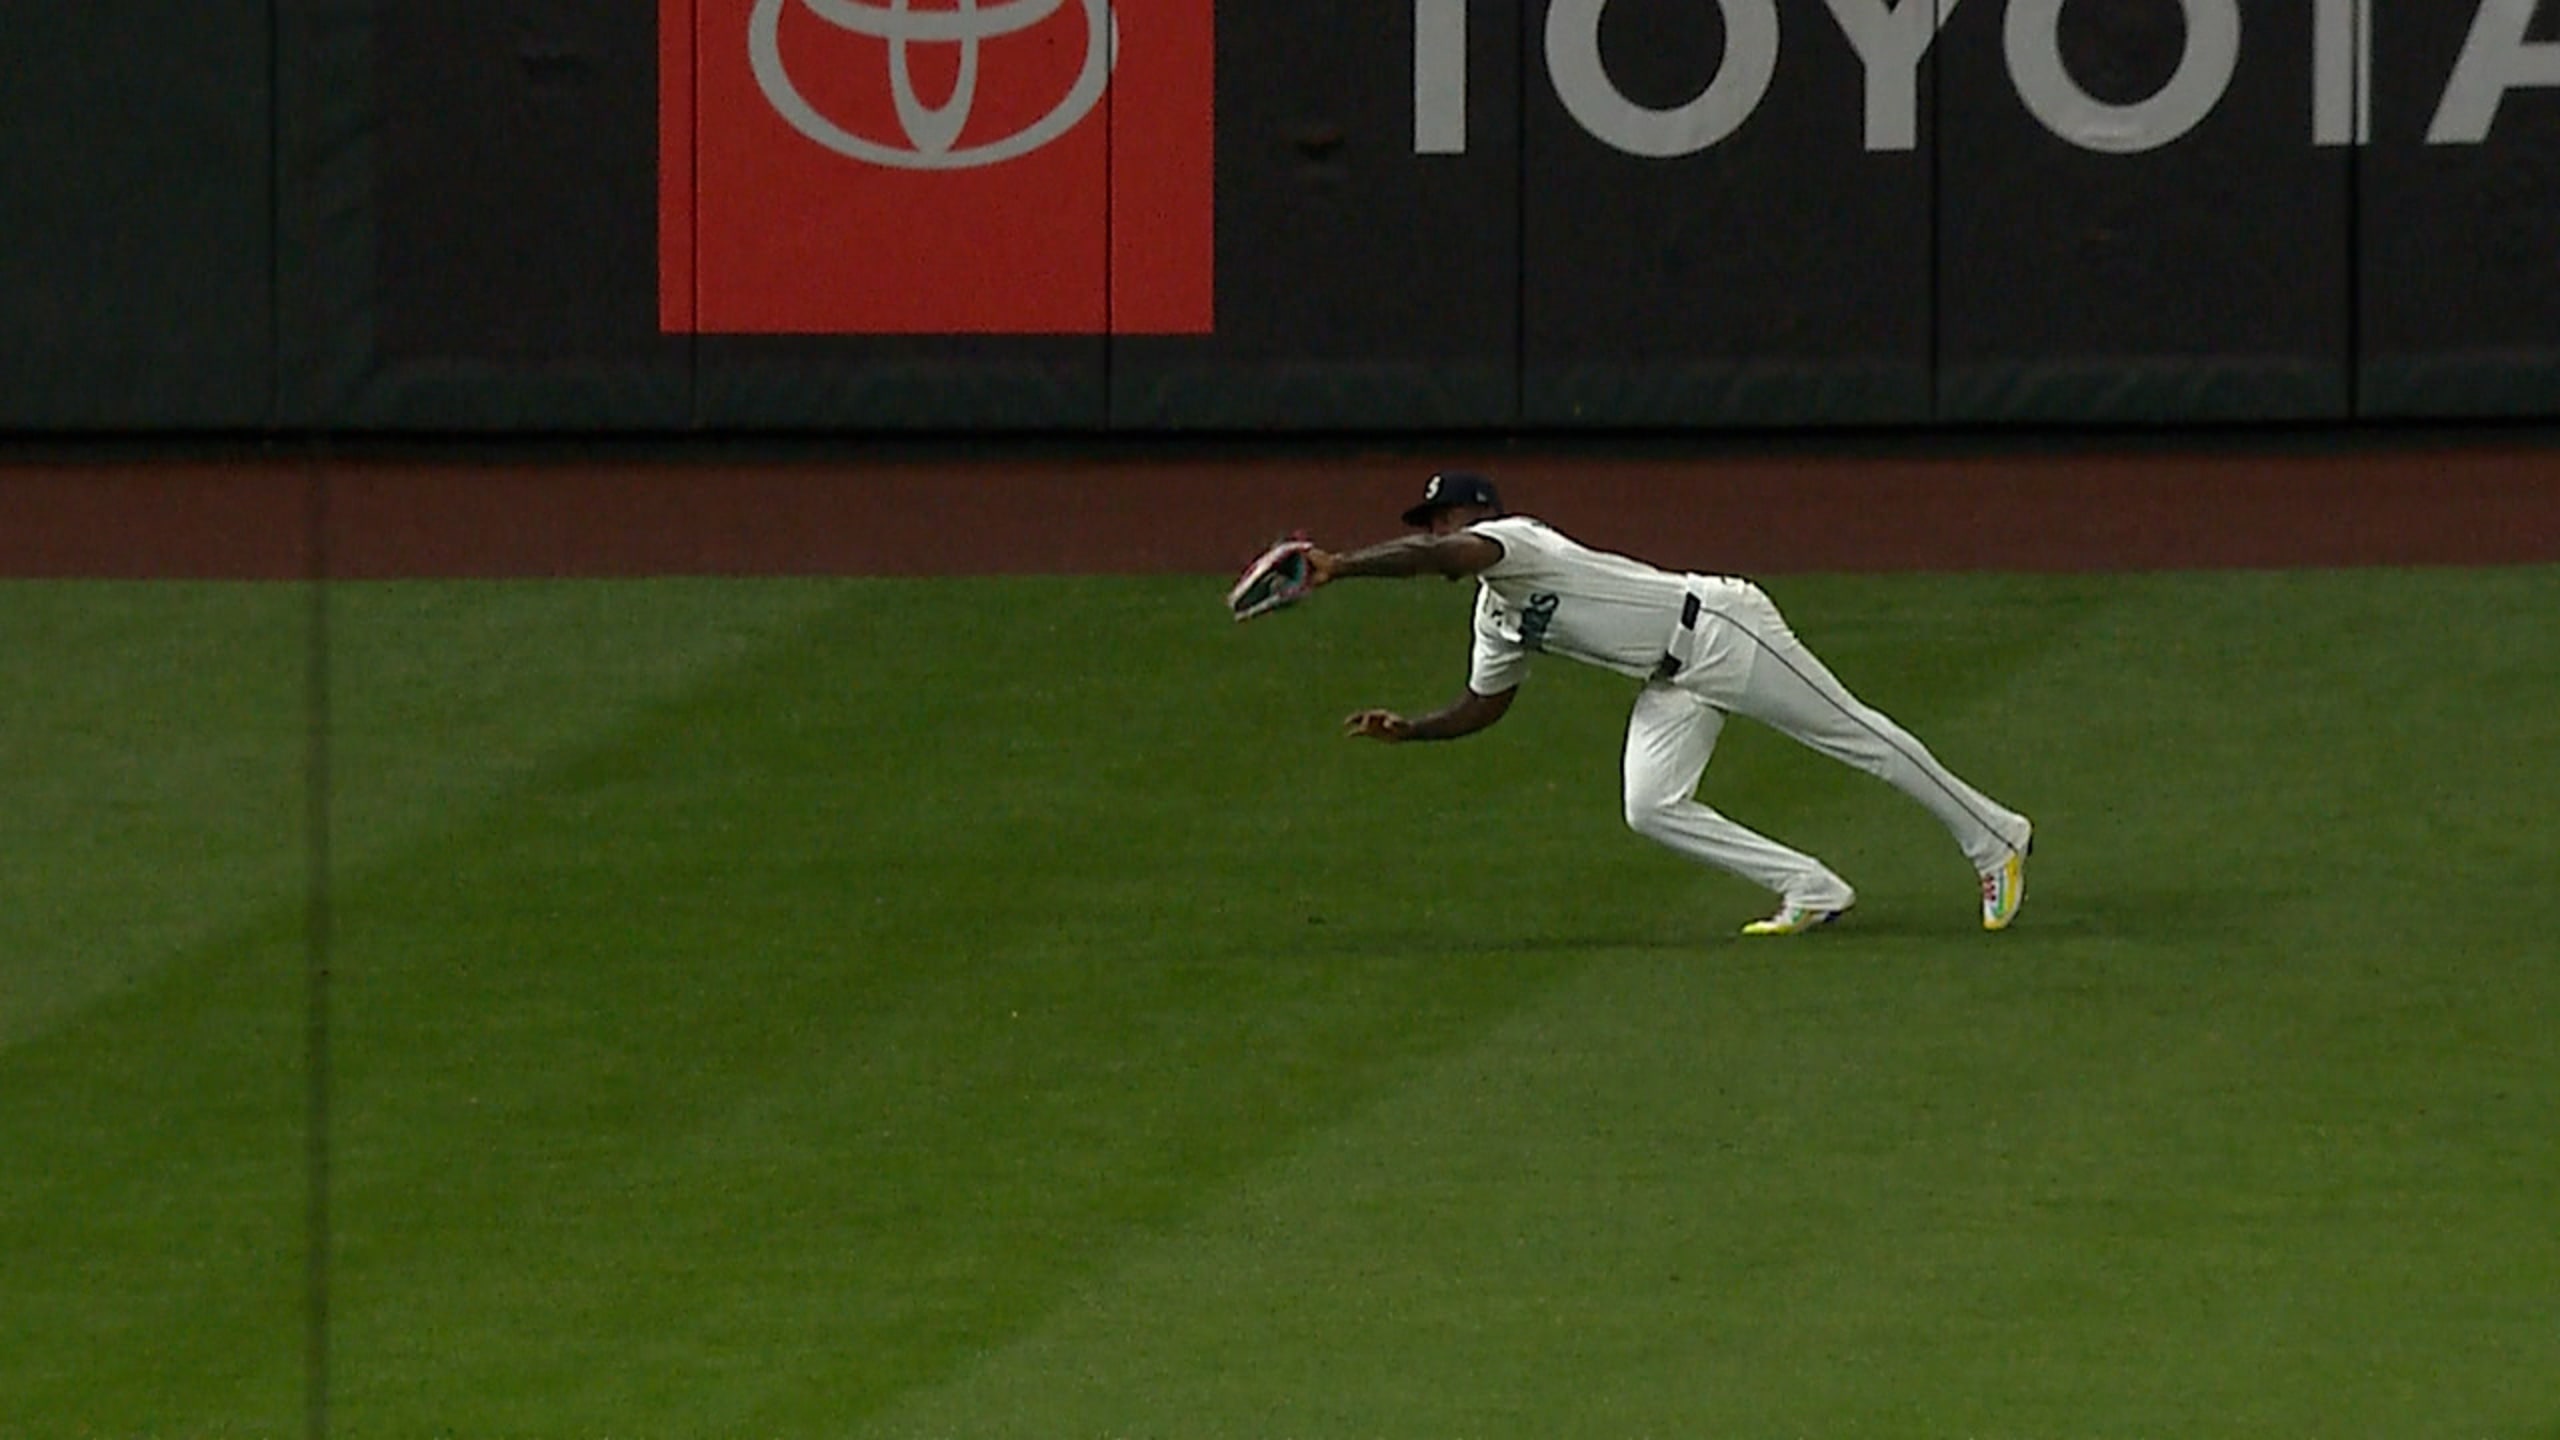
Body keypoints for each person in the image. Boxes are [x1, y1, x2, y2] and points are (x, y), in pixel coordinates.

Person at [1304, 471, 2032, 935]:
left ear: (1482, 513)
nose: (1437, 529)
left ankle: (1994, 838)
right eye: (1430, 520)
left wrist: (1339, 566)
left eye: (1446, 516)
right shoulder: (1494, 616)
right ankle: (1811, 888)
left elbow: (1438, 557)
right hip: (1672, 679)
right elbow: (1483, 705)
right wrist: (1414, 730)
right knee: (1650, 805)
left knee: (1853, 735)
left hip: (1721, 629)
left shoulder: (1514, 540)